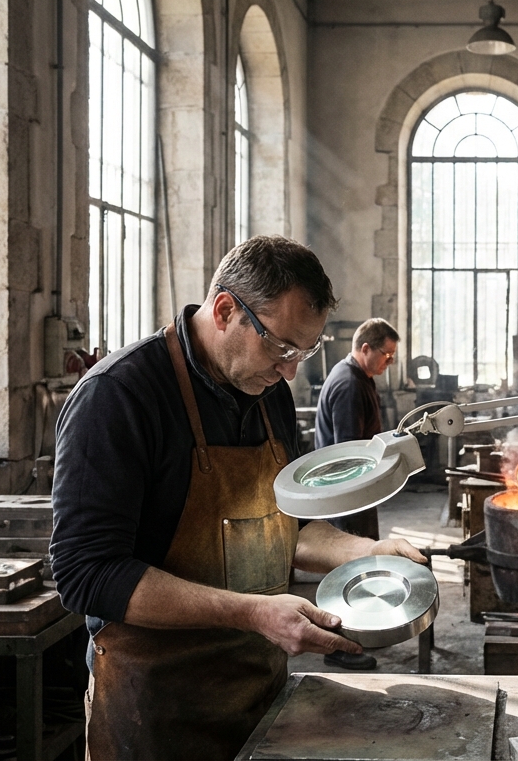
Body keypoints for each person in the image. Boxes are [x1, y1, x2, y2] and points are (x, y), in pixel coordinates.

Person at [50, 236, 425, 760]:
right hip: (155, 713)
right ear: (226, 309)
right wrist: (253, 613)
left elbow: (284, 527)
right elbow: (85, 574)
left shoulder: (268, 390)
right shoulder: (118, 396)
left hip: (259, 694)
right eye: (283, 347)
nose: (291, 371)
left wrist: (365, 553)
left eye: (306, 351)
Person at [313, 317, 399, 669]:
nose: (389, 362)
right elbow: (349, 455)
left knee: (361, 565)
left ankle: (358, 633)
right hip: (346, 494)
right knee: (346, 568)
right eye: (386, 354)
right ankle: (338, 647)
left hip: (357, 494)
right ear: (365, 348)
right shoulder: (349, 384)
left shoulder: (360, 377)